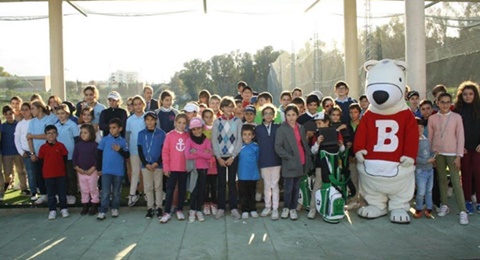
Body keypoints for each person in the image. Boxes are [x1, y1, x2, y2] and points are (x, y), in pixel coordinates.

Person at [428, 92, 468, 225]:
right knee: (442, 180)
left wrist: (458, 156)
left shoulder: (456, 117)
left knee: (456, 182)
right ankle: (444, 205)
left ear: (451, 103)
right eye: (442, 102)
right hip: (438, 153)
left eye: (447, 102)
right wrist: (430, 154)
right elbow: (430, 137)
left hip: (452, 153)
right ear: (437, 103)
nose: (445, 105)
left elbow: (461, 136)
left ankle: (463, 211)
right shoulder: (433, 118)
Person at [274, 104, 312, 220]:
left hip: (301, 160)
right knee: (288, 187)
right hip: (289, 162)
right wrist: (289, 157)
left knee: (296, 187)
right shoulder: (282, 128)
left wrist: (307, 158)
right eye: (288, 115)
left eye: (293, 115)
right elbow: (278, 147)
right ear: (285, 116)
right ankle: (286, 207)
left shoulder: (301, 127)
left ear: (297, 115)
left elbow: (303, 144)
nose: (291, 117)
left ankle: (293, 208)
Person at [308, 112, 345, 219]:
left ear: (327, 122)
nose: (318, 126)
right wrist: (318, 143)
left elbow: (342, 150)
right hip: (321, 164)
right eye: (317, 124)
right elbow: (313, 151)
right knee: (318, 185)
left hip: (334, 165)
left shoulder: (336, 133)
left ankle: (334, 207)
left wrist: (341, 144)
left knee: (335, 185)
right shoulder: (316, 134)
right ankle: (313, 208)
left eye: (319, 123)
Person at [211, 96, 243, 220]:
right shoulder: (217, 122)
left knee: (232, 182)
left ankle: (234, 208)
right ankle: (221, 208)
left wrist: (233, 156)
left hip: (232, 157)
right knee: (221, 183)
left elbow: (239, 140)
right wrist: (218, 157)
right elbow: (214, 140)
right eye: (227, 106)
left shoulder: (237, 121)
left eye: (231, 106)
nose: (229, 109)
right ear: (222, 107)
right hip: (220, 157)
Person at [453, 81, 480, 214]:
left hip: (477, 148)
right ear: (461, 95)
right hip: (463, 149)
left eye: (471, 94)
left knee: (478, 174)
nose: (468, 97)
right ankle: (468, 201)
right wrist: (459, 146)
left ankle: (479, 202)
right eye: (465, 94)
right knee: (466, 175)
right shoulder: (457, 110)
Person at [96, 118, 130, 220]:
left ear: (120, 129)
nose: (111, 130)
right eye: (110, 128)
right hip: (106, 170)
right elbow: (99, 153)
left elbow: (127, 154)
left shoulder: (123, 141)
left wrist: (119, 150)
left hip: (118, 171)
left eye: (114, 128)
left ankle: (115, 208)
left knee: (116, 191)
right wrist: (99, 168)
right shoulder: (105, 139)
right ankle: (103, 210)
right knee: (105, 192)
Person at [159, 114, 189, 223]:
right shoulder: (169, 135)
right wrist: (166, 167)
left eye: (184, 123)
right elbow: (165, 152)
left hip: (184, 168)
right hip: (172, 168)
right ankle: (167, 211)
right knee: (170, 190)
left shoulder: (188, 136)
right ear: (175, 122)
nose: (181, 125)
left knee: (182, 190)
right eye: (179, 122)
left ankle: (180, 209)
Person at [137, 112, 166, 220]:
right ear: (144, 121)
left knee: (158, 187)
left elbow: (164, 150)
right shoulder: (141, 134)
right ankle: (150, 208)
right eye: (147, 120)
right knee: (148, 187)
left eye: (152, 120)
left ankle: (159, 207)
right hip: (146, 166)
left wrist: (157, 162)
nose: (149, 122)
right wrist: (145, 163)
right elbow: (140, 150)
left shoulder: (161, 133)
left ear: (155, 121)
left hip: (158, 165)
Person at [27, 100, 57, 204]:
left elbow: (48, 135)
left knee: (52, 174)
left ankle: (54, 194)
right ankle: (44, 194)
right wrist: (32, 153)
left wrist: (33, 136)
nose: (31, 111)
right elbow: (28, 138)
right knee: (39, 174)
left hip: (49, 153)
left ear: (40, 108)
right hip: (37, 154)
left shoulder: (49, 120)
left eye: (33, 108)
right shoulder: (32, 122)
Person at [255, 105, 282, 220]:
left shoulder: (278, 127)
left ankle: (275, 208)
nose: (268, 115)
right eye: (266, 113)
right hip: (264, 160)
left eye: (271, 113)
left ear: (274, 115)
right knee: (266, 184)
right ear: (262, 115)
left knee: (275, 185)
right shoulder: (258, 129)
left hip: (276, 160)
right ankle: (267, 207)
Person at [38, 125, 69, 220]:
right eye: (49, 133)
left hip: (60, 174)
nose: (51, 135)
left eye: (53, 133)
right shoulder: (43, 148)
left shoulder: (61, 146)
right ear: (45, 135)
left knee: (62, 193)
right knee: (51, 194)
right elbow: (41, 161)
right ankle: (52, 210)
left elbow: (65, 159)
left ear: (57, 134)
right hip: (48, 175)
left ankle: (64, 208)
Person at [185, 117, 211, 222]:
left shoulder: (206, 140)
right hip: (194, 169)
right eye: (194, 129)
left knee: (201, 190)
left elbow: (209, 155)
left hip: (203, 169)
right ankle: (192, 210)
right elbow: (187, 155)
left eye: (198, 128)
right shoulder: (189, 140)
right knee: (194, 190)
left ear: (202, 128)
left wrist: (195, 152)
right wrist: (202, 153)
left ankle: (198, 210)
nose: (196, 131)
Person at [54, 104, 80, 205]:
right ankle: (62, 193)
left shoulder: (72, 125)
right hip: (59, 156)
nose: (61, 116)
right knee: (61, 175)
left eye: (63, 113)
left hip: (70, 155)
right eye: (58, 114)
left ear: (67, 113)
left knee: (71, 175)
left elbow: (76, 140)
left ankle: (72, 194)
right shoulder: (56, 126)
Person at [73, 124, 99, 216]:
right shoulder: (78, 145)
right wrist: (77, 168)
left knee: (93, 188)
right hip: (81, 171)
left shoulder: (95, 145)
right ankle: (85, 205)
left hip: (92, 171)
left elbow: (97, 159)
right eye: (81, 133)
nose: (83, 135)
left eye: (85, 133)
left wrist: (93, 168)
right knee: (84, 189)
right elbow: (75, 158)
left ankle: (94, 204)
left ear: (91, 134)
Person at [1, 105, 27, 198]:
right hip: (6, 153)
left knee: (21, 171)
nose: (9, 116)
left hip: (17, 152)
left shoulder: (18, 124)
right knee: (7, 173)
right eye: (7, 114)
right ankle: (7, 184)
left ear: (13, 113)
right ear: (4, 115)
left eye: (10, 114)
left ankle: (24, 188)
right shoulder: (2, 127)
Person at [126, 95, 146, 207]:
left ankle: (148, 194)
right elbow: (127, 136)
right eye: (135, 104)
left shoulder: (147, 117)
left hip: (146, 150)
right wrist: (127, 150)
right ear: (132, 106)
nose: (138, 106)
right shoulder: (129, 120)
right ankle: (132, 194)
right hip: (134, 150)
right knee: (135, 172)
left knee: (147, 172)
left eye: (140, 104)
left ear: (143, 104)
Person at [413, 117, 435, 219]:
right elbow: (415, 157)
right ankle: (418, 208)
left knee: (429, 190)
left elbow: (429, 151)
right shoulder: (414, 141)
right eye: (417, 127)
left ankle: (429, 208)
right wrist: (426, 161)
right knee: (421, 191)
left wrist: (434, 155)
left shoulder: (426, 139)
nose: (419, 129)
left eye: (421, 126)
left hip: (430, 169)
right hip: (420, 170)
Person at [14, 102, 37, 200]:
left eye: (26, 109)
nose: (24, 112)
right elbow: (17, 139)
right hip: (26, 153)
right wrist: (21, 151)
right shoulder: (20, 124)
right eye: (22, 110)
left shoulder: (35, 121)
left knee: (40, 172)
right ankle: (33, 192)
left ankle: (44, 191)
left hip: (38, 151)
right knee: (30, 173)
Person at [237, 124, 260, 219]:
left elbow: (257, 159)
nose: (247, 136)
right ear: (241, 135)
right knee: (243, 193)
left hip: (253, 174)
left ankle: (253, 209)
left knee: (252, 192)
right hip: (242, 175)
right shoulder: (239, 147)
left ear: (253, 135)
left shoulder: (256, 147)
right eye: (244, 134)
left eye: (249, 134)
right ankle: (245, 210)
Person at [202, 108, 218, 216]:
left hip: (215, 160)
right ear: (203, 118)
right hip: (204, 161)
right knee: (205, 183)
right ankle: (206, 203)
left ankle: (214, 202)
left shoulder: (217, 128)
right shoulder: (201, 129)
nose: (208, 119)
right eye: (206, 117)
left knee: (214, 184)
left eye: (210, 116)